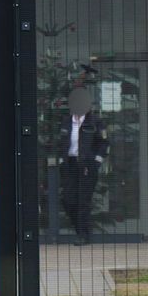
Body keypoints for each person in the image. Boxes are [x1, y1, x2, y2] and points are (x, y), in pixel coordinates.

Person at [55, 86, 108, 245]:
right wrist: (61, 160)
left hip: (87, 166)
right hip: (70, 164)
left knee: (83, 201)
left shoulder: (96, 122)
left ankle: (83, 235)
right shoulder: (66, 122)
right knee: (68, 200)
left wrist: (96, 161)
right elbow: (60, 142)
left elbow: (104, 143)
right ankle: (81, 231)